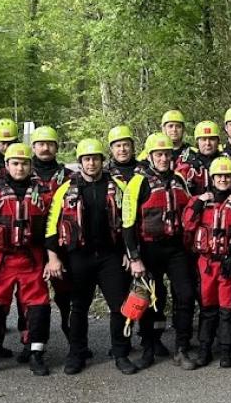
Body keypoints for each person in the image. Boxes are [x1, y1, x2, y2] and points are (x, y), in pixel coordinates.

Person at [45, 138, 145, 375]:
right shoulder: (64, 189)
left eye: (96, 159)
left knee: (119, 306)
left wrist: (129, 254)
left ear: (103, 160)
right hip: (78, 256)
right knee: (78, 307)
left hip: (110, 256)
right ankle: (76, 353)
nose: (91, 163)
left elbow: (130, 221)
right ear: (80, 162)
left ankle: (121, 353)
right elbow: (51, 226)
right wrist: (53, 257)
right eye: (87, 159)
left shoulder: (118, 186)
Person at [0, 143, 52, 377]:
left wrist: (51, 259)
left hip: (32, 258)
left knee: (38, 307)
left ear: (31, 165)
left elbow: (52, 228)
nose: (20, 167)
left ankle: (36, 353)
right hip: (0, 261)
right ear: (6, 165)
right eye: (15, 163)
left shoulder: (44, 194)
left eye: (24, 163)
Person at [182, 156, 231, 369]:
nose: (223, 179)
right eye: (219, 176)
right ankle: (205, 349)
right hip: (206, 263)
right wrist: (197, 203)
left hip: (227, 265)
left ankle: (225, 351)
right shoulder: (202, 200)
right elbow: (187, 224)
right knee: (207, 308)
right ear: (212, 178)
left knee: (227, 309)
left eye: (227, 176)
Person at [127, 134, 194, 368]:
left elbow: (189, 210)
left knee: (185, 295)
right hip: (148, 248)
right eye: (159, 154)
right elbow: (127, 222)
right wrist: (134, 257)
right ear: (150, 156)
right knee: (150, 299)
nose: (164, 158)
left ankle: (182, 348)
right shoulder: (138, 182)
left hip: (176, 248)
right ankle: (149, 347)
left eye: (167, 154)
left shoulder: (178, 179)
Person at [29, 125, 77, 359]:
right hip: (28, 243)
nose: (45, 148)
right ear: (33, 147)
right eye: (40, 144)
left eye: (50, 144)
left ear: (57, 147)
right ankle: (31, 342)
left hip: (61, 243)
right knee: (29, 295)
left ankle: (73, 338)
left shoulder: (69, 176)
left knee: (66, 293)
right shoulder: (22, 173)